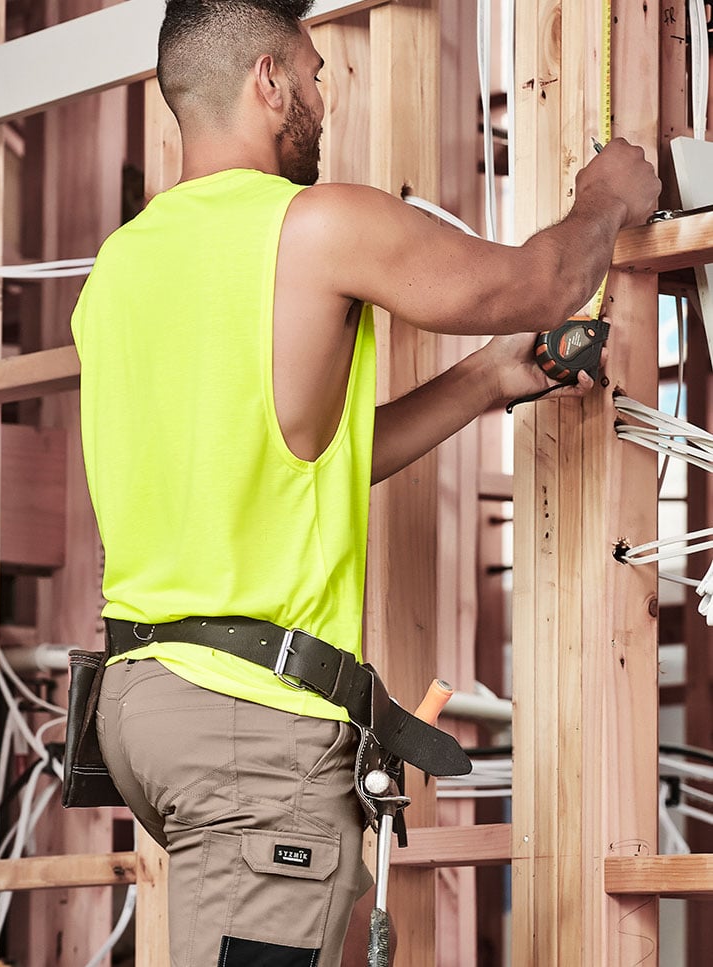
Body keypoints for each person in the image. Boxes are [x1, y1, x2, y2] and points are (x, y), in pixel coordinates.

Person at [69, 2, 661, 965]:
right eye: (311, 76)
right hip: (247, 721)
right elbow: (541, 284)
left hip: (146, 705)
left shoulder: (120, 268)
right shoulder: (313, 224)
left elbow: (298, 460)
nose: (320, 99)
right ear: (266, 80)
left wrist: (482, 383)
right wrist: (605, 196)